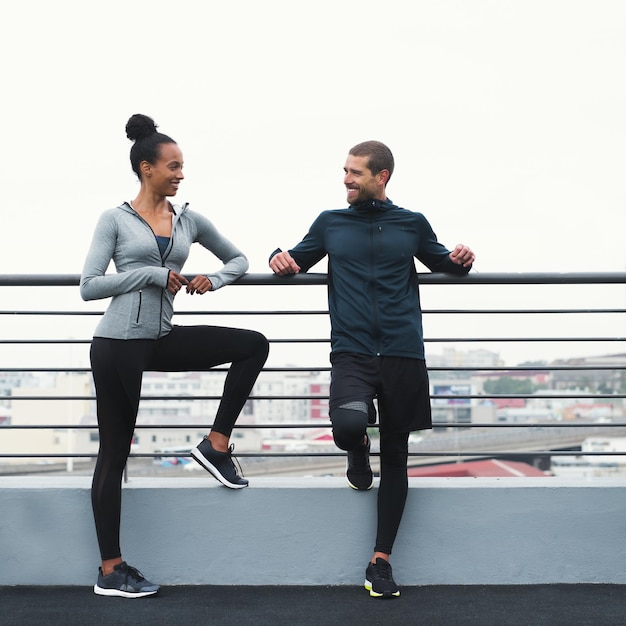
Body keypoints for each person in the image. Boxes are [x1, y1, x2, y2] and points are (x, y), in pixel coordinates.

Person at [269, 141, 474, 599]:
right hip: (353, 353)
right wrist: (276, 258)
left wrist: (461, 260)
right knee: (346, 424)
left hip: (403, 353)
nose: (346, 179)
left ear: (381, 177)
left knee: (397, 458)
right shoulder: (330, 223)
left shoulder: (412, 224)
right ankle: (358, 448)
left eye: (355, 173)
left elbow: (443, 263)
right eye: (344, 171)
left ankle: (380, 560)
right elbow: (294, 260)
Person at [80, 113, 269, 598]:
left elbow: (239, 260)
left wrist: (215, 279)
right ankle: (111, 569)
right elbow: (89, 286)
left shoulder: (188, 218)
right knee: (114, 452)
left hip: (162, 337)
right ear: (147, 168)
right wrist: (148, 275)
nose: (181, 173)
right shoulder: (115, 219)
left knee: (252, 345)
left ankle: (216, 443)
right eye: (173, 165)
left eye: (182, 166)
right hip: (118, 344)